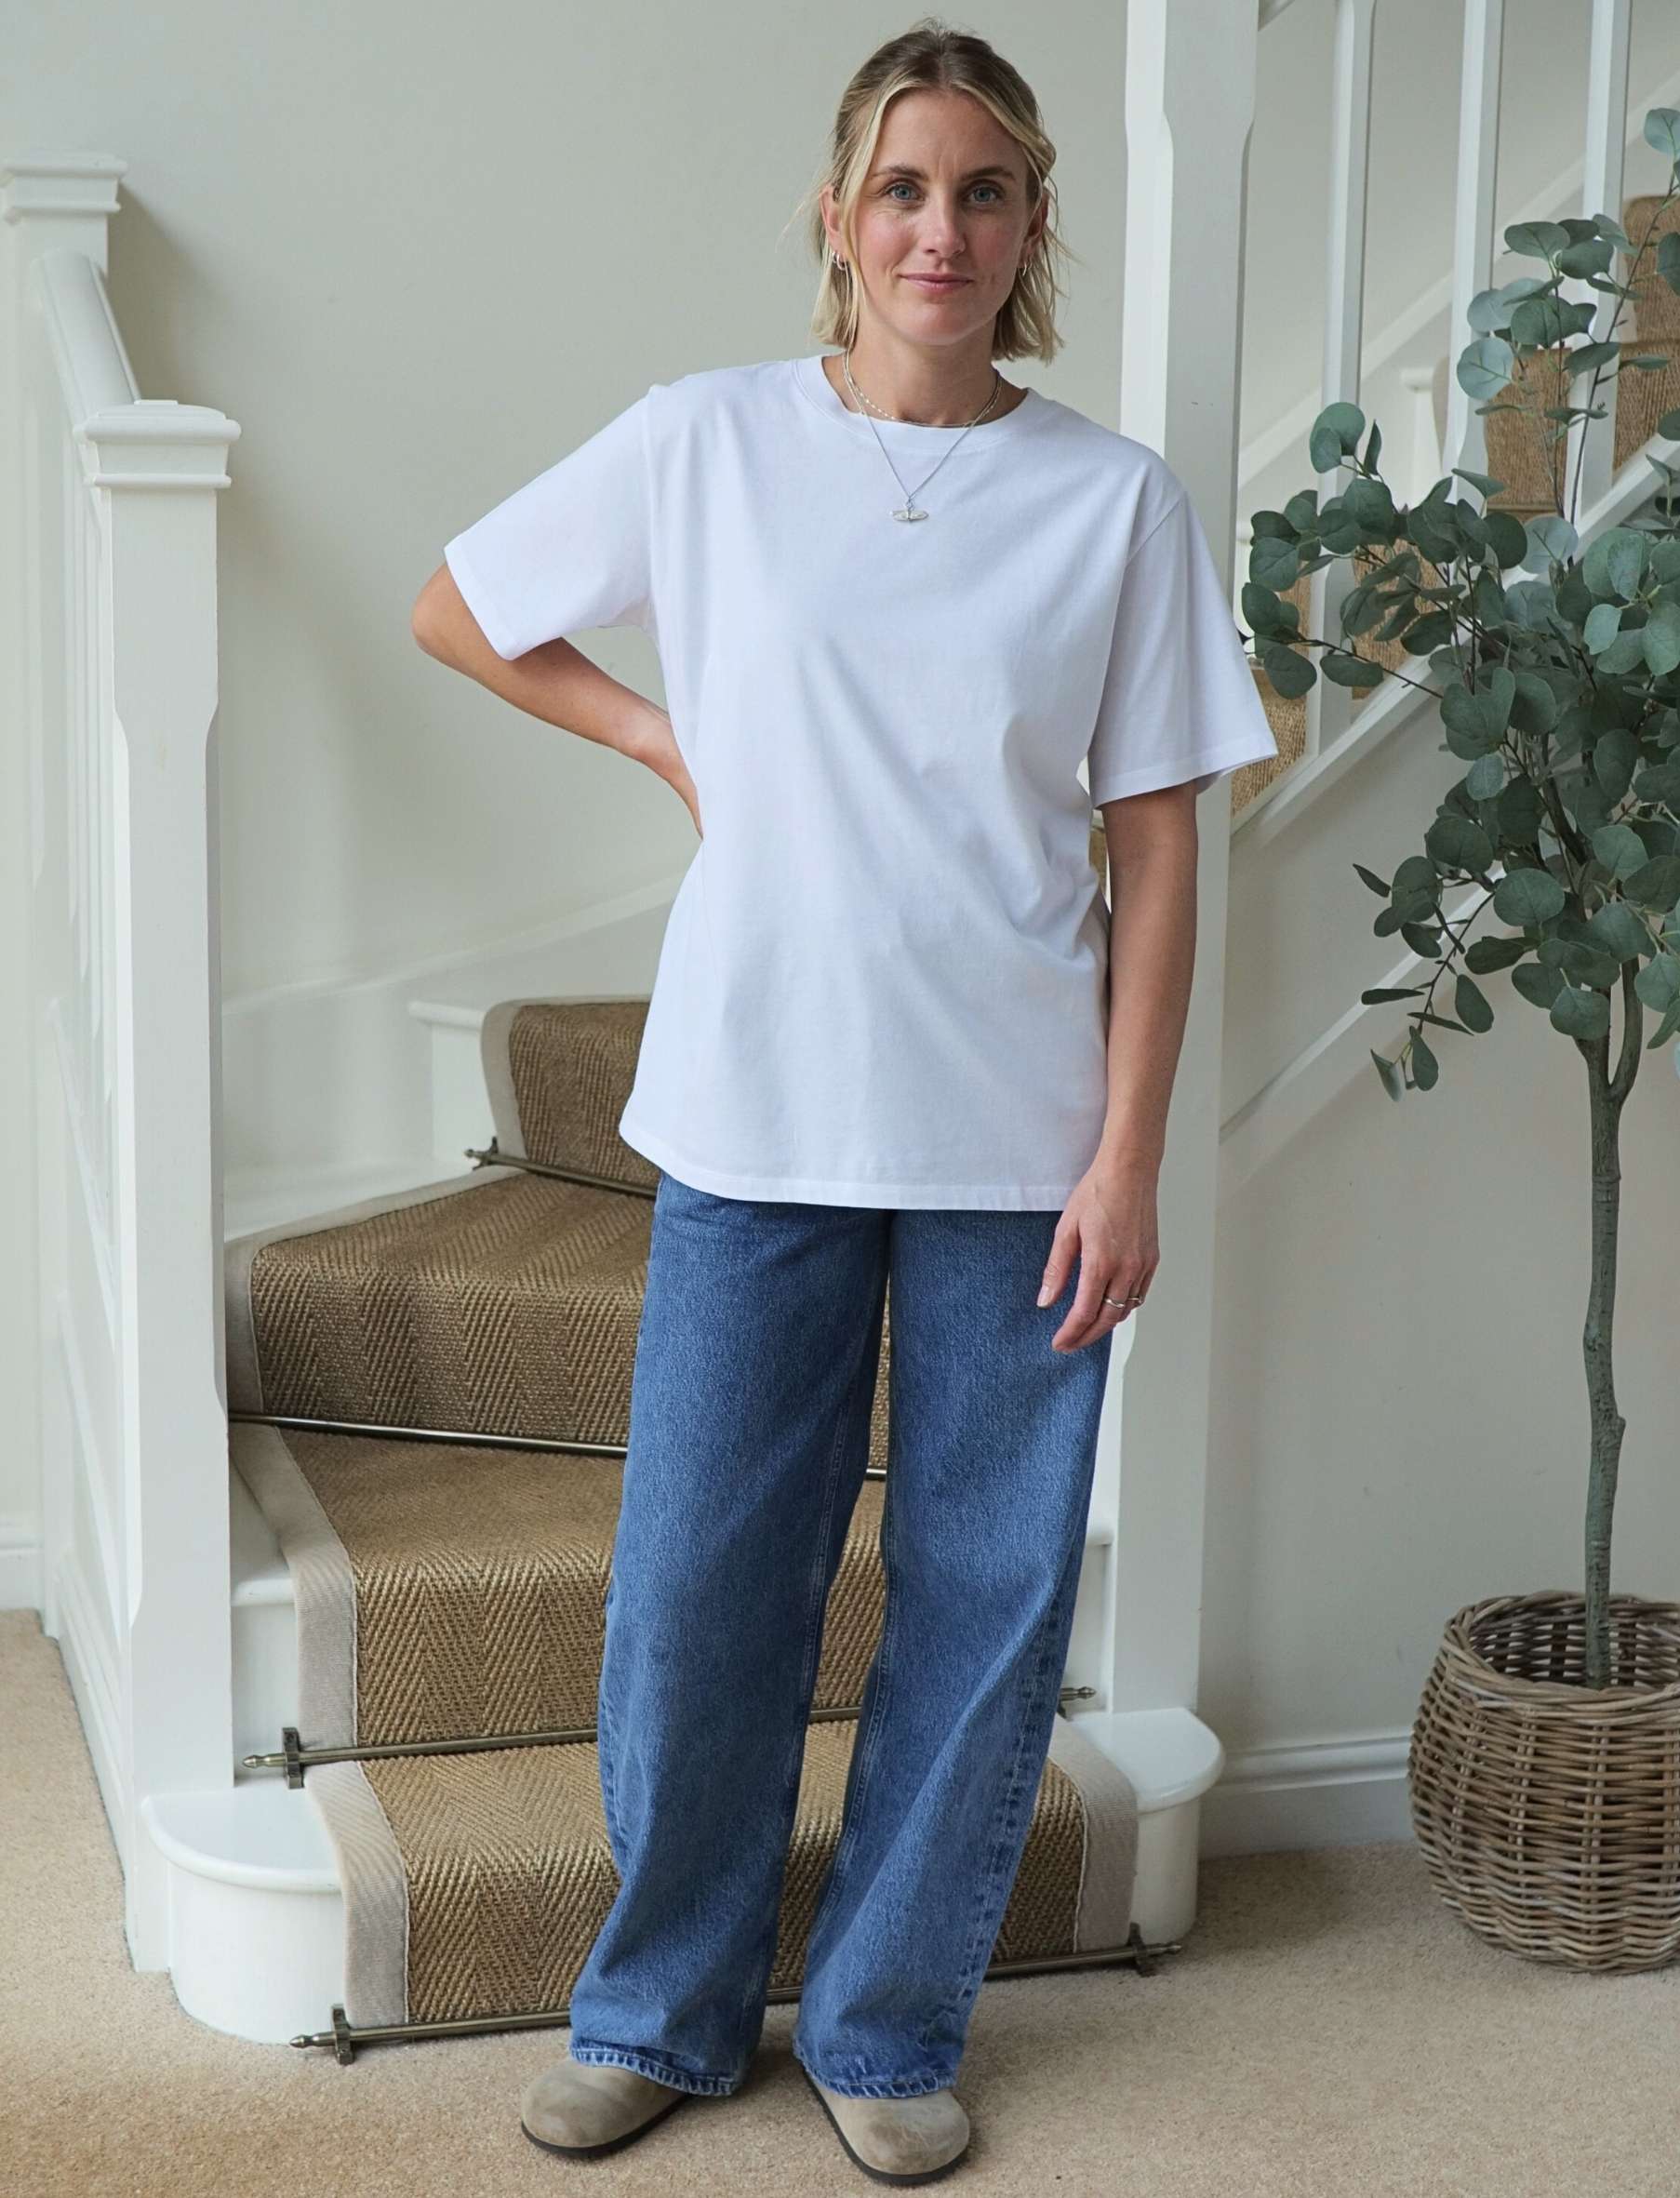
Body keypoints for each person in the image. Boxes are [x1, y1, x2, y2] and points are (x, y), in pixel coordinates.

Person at [412, 19, 1277, 2184]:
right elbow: (460, 606)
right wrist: (663, 737)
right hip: (755, 1113)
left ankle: (888, 2027)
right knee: (701, 1594)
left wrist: (1129, 1154)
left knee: (983, 1600)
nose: (939, 230)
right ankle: (660, 2010)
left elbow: (1160, 847)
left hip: (1020, 1140)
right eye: (903, 188)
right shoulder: (706, 442)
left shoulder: (1113, 503)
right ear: (837, 216)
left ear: (1032, 224)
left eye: (983, 191)